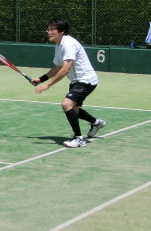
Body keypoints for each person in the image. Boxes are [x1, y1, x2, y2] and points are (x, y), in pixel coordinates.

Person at [31, 17, 106, 148]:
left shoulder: (69, 44)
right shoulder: (58, 45)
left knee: (66, 104)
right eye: (48, 29)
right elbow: (57, 67)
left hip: (85, 80)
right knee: (74, 109)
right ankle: (96, 123)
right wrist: (41, 79)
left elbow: (65, 69)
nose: (49, 32)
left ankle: (79, 139)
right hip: (77, 81)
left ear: (62, 31)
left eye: (52, 29)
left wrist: (47, 85)